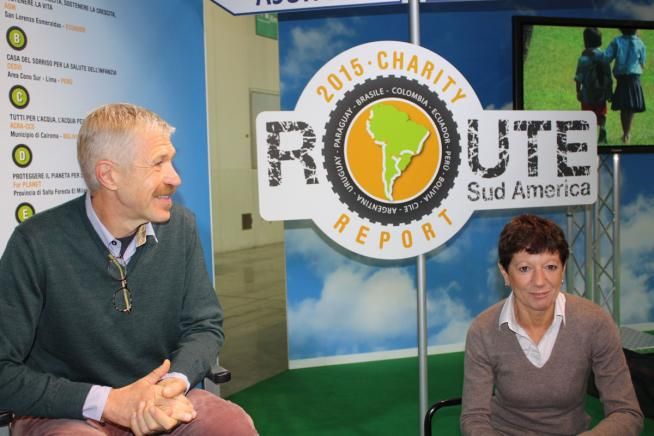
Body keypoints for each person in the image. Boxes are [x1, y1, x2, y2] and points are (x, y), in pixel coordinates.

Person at [0, 103, 258, 435]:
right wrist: (109, 402)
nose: (175, 178)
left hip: (159, 397)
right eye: (158, 163)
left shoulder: (180, 227)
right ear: (109, 175)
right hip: (68, 409)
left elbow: (204, 325)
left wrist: (173, 383)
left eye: (171, 160)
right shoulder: (35, 243)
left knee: (231, 426)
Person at [461, 214, 643, 435]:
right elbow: (474, 418)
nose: (539, 281)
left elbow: (626, 412)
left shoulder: (594, 322)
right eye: (525, 269)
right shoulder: (483, 330)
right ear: (505, 273)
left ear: (563, 269)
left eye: (550, 267)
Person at [604, 28, 647, 144]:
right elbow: (643, 63)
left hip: (622, 79)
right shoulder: (640, 43)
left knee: (624, 107)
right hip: (634, 78)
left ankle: (626, 133)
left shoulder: (616, 41)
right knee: (631, 106)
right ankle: (627, 133)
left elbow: (606, 58)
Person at [574, 27, 613, 144]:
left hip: (587, 93)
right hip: (601, 92)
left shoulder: (583, 58)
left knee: (588, 115)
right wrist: (609, 91)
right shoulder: (604, 56)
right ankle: (602, 128)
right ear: (599, 41)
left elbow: (579, 77)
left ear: (585, 41)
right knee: (601, 112)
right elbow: (608, 75)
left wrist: (578, 91)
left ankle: (589, 137)